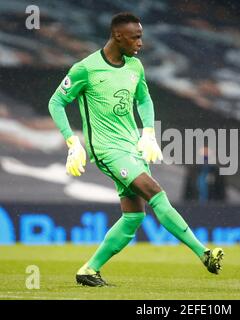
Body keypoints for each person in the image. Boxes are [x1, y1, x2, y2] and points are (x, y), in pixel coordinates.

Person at [48, 12, 224, 287]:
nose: (141, 43)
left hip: (133, 147)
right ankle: (204, 253)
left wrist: (149, 133)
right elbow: (56, 103)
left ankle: (88, 270)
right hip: (107, 149)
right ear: (118, 36)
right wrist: (72, 142)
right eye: (136, 37)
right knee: (155, 191)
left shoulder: (135, 67)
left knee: (133, 216)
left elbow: (144, 99)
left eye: (141, 36)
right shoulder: (86, 68)